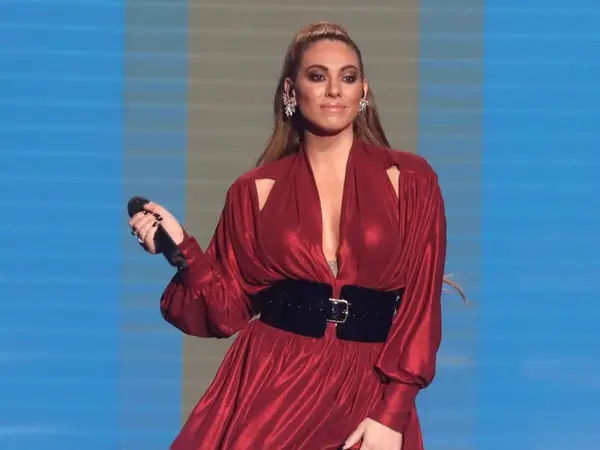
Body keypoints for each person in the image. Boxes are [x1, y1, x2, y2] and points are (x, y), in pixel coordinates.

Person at [129, 21, 464, 450]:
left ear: (363, 91)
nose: (334, 90)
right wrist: (182, 251)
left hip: (369, 389)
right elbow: (226, 311)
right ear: (291, 90)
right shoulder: (254, 191)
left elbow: (420, 307)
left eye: (348, 77)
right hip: (273, 387)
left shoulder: (411, 180)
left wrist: (393, 412)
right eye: (318, 76)